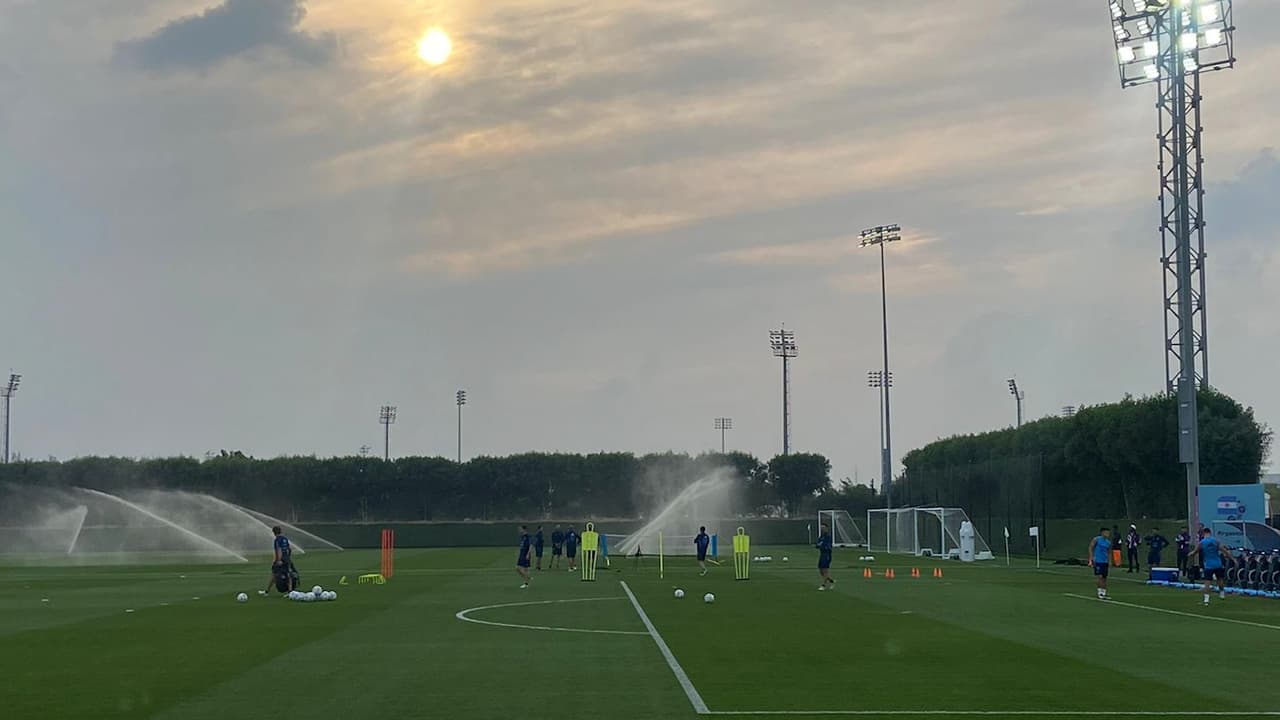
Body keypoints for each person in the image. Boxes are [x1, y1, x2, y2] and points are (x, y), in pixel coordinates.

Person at [1188, 527, 1230, 605]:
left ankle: (1206, 600)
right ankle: (1222, 594)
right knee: (1220, 579)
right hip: (1218, 563)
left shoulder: (1202, 542)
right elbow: (1224, 550)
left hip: (1208, 565)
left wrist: (1190, 554)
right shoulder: (1216, 541)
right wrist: (1231, 557)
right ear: (1210, 532)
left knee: (1207, 582)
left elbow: (1195, 551)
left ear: (1204, 533)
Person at [260, 525, 294, 596]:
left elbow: (278, 550)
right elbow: (289, 549)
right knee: (287, 575)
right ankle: (290, 592)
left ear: (274, 532)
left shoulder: (277, 540)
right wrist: (287, 557)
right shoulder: (285, 539)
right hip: (286, 559)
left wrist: (278, 560)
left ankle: (267, 592)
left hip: (280, 560)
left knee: (275, 574)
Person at [1088, 526, 1112, 600]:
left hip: (1105, 561)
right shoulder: (1097, 539)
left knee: (1105, 578)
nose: (1107, 534)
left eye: (1108, 533)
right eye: (1106, 532)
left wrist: (1110, 561)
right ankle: (1100, 593)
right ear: (1102, 533)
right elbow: (1091, 547)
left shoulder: (1108, 542)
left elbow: (1109, 552)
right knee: (1100, 576)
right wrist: (1091, 558)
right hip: (1098, 561)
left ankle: (1104, 593)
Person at [816, 522, 834, 590]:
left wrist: (822, 546)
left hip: (827, 555)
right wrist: (819, 545)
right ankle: (831, 581)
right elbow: (817, 544)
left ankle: (823, 585)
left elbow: (827, 546)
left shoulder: (828, 536)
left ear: (826, 528)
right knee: (821, 570)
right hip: (822, 554)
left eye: (823, 528)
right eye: (821, 528)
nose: (822, 529)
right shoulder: (821, 536)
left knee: (825, 570)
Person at [517, 525, 533, 589]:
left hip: (525, 554)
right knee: (521, 569)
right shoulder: (522, 537)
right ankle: (527, 578)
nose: (519, 530)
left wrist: (528, 554)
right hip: (522, 554)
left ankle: (526, 582)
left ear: (524, 529)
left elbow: (531, 545)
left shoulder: (528, 536)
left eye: (520, 529)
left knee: (520, 568)